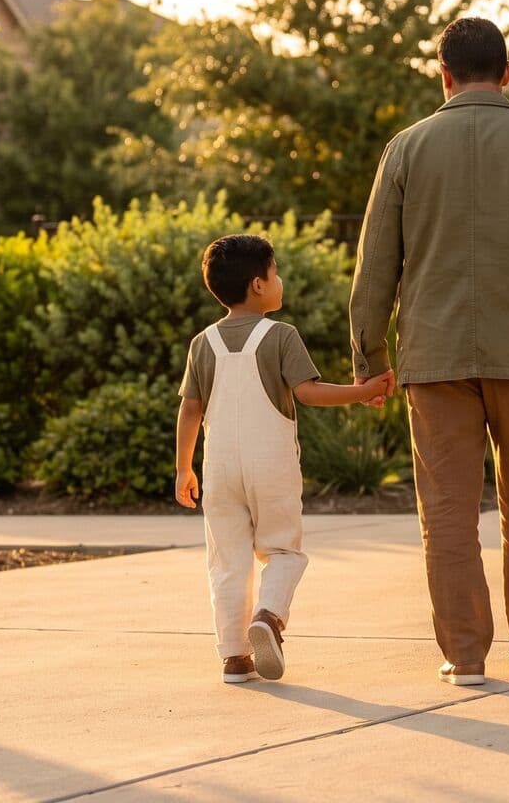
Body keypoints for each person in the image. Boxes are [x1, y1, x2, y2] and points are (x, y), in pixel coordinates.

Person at [349, 16, 509, 687]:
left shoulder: (404, 150)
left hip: (434, 359)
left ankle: (465, 655)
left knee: (447, 510)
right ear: (507, 72)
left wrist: (369, 357)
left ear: (443, 75)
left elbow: (374, 266)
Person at [175, 233, 391, 683]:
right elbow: (308, 393)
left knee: (227, 560)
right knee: (283, 551)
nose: (280, 280)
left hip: (218, 470)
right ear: (258, 284)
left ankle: (235, 656)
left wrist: (183, 468)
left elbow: (190, 409)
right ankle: (269, 618)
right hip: (270, 463)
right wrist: (363, 391)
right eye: (275, 272)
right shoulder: (280, 335)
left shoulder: (203, 343)